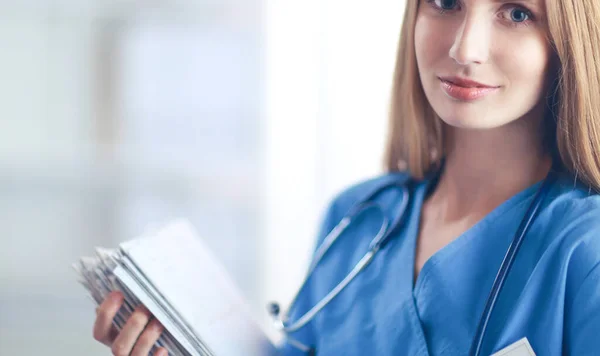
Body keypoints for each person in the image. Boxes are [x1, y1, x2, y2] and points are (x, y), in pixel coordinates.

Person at [93, 0, 600, 354]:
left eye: (516, 13)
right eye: (445, 1)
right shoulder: (358, 219)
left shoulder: (584, 249)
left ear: (570, 39)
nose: (467, 48)